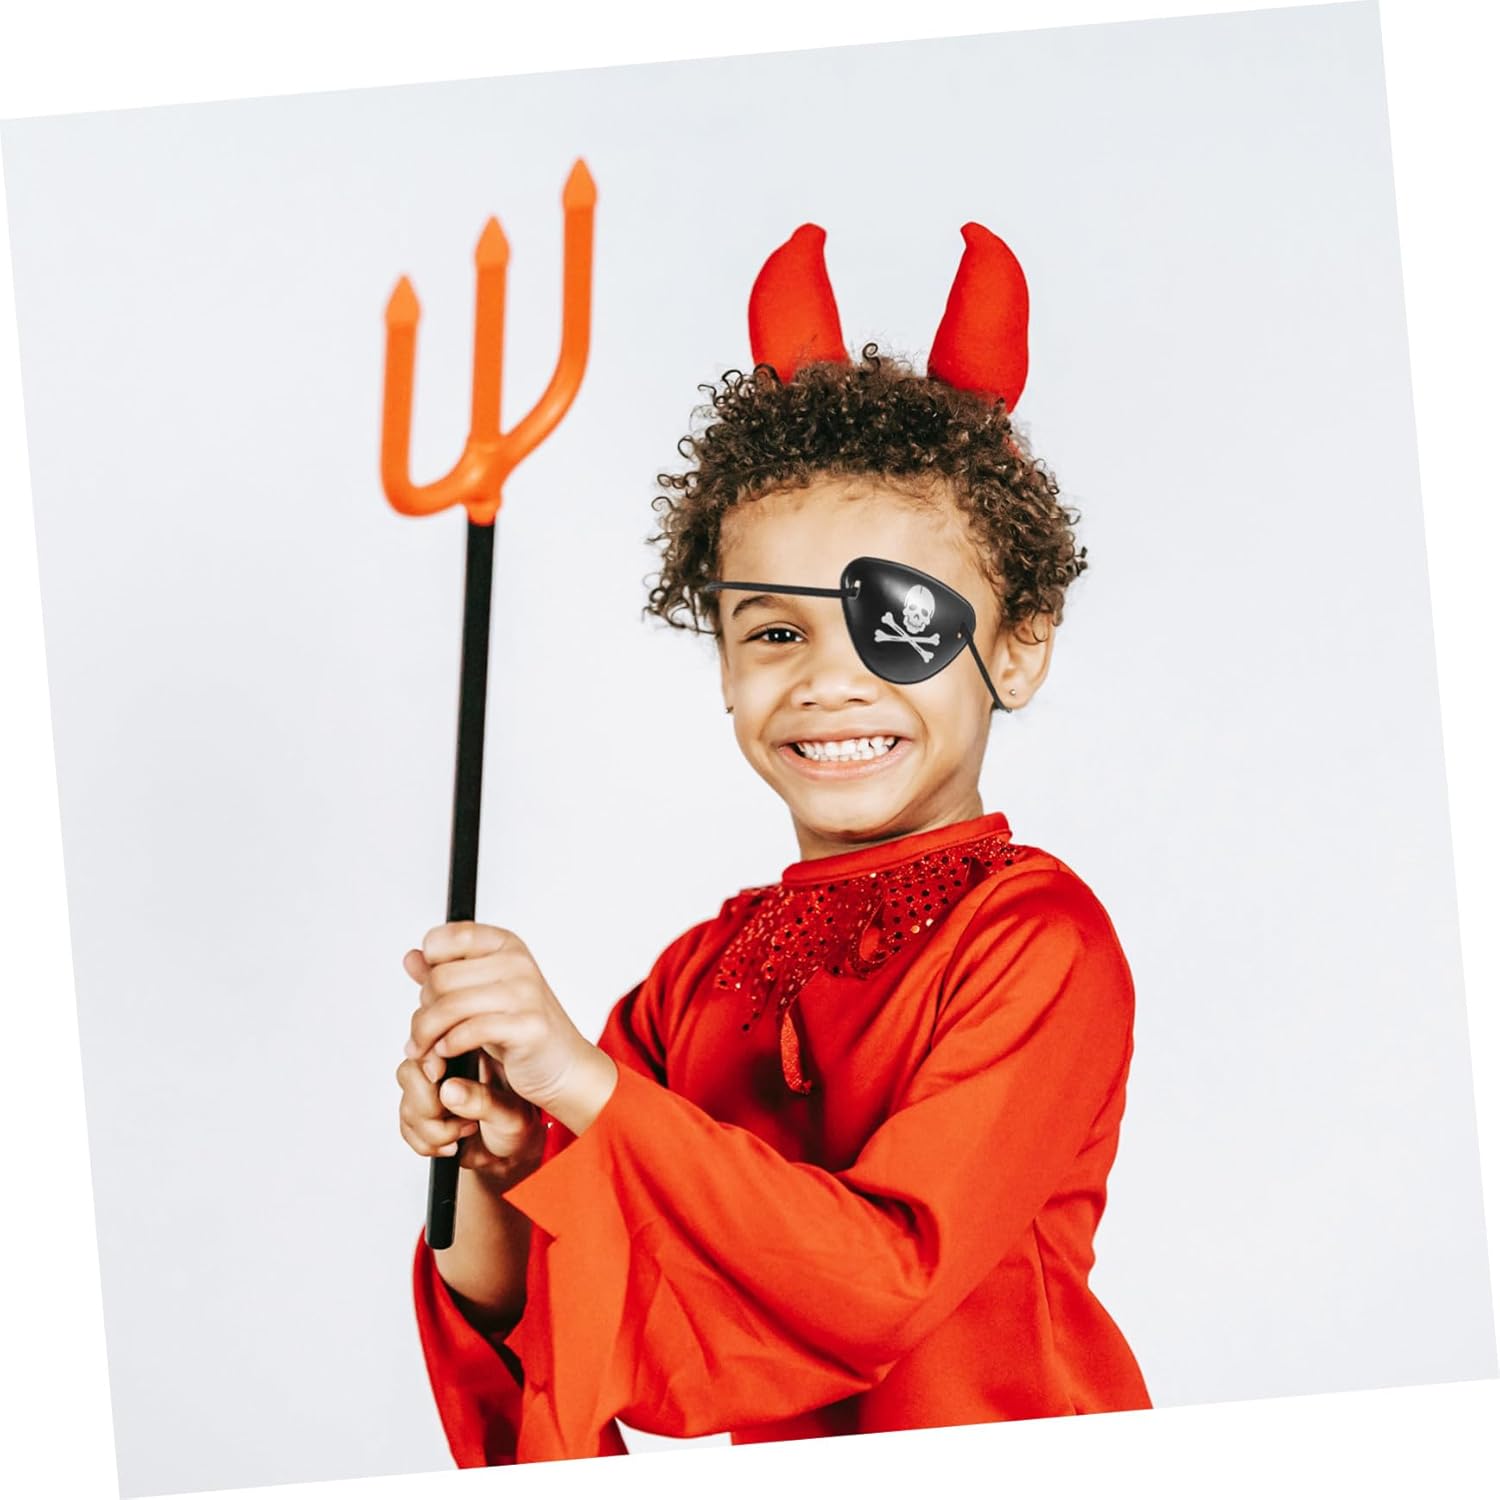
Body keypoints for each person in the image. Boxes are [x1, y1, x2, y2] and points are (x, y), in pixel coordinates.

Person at [395, 223, 1152, 1466]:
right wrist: (503, 1162)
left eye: (899, 624)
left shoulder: (1036, 943)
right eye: (776, 634)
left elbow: (886, 1284)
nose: (829, 684)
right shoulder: (698, 980)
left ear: (1017, 648)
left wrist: (585, 1083)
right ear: (724, 663)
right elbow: (592, 1324)